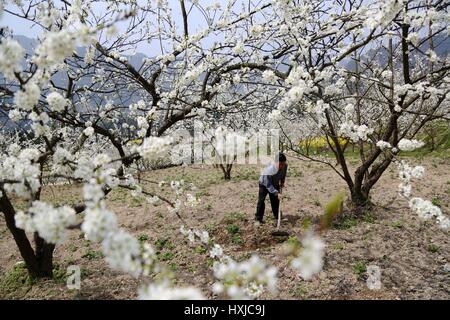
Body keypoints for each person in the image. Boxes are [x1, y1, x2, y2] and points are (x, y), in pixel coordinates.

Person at [255, 153, 288, 224]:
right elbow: (268, 184)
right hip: (264, 184)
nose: (282, 166)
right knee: (261, 201)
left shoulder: (285, 166)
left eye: (283, 164)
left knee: (275, 201)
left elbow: (283, 174)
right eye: (280, 164)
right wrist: (276, 192)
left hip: (275, 183)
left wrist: (282, 182)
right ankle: (258, 219)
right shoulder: (269, 169)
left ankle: (277, 216)